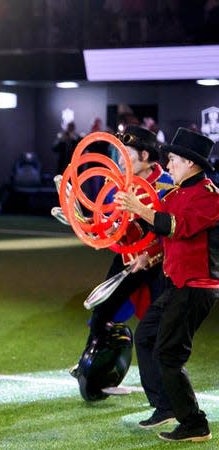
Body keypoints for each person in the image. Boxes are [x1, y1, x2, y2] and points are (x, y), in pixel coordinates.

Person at [116, 127, 219, 443]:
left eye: (173, 159)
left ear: (191, 163)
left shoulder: (209, 196)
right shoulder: (175, 194)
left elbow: (177, 226)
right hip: (178, 284)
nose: (169, 164)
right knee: (147, 337)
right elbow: (161, 231)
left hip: (196, 287)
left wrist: (140, 208)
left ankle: (194, 422)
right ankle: (165, 407)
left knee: (169, 354)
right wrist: (147, 255)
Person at [66, 126, 175, 412]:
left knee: (159, 329)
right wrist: (101, 229)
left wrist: (149, 256)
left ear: (145, 155)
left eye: (127, 153)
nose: (122, 157)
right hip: (127, 260)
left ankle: (167, 390)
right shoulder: (122, 181)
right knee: (102, 310)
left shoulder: (166, 184)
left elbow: (170, 232)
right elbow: (114, 219)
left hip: (157, 266)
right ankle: (93, 370)